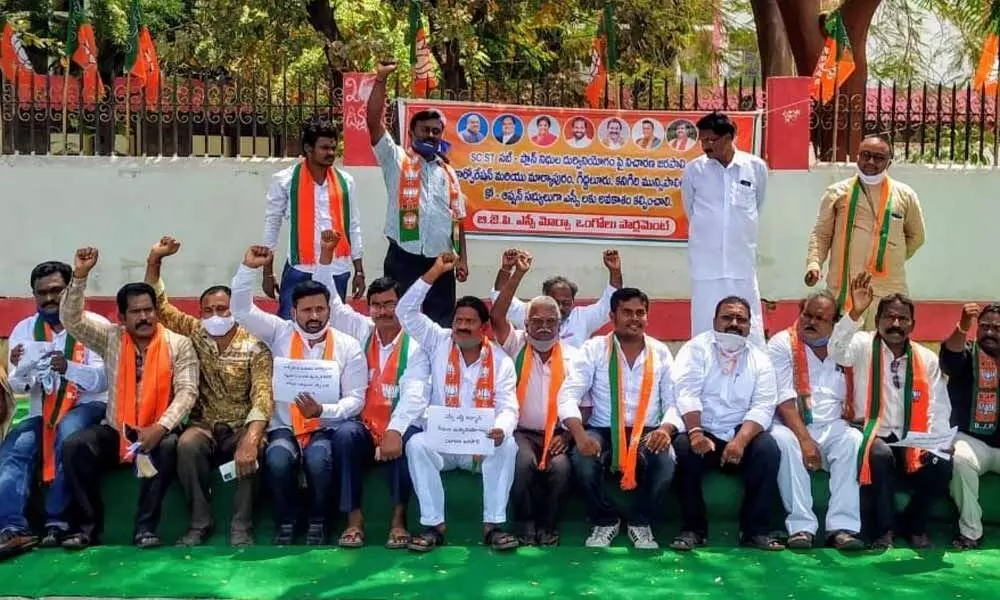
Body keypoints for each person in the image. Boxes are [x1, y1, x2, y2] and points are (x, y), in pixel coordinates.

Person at [59, 248, 199, 550]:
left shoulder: (179, 344)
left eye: (149, 309)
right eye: (136, 312)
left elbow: (188, 391)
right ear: (122, 317)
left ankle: (145, 528)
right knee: (75, 446)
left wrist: (160, 427)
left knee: (168, 445)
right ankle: (87, 528)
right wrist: (80, 276)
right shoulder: (111, 338)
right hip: (117, 429)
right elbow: (71, 320)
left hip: (159, 429)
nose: (145, 316)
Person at [231, 244, 368, 546]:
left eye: (320, 308)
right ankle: (287, 522)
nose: (315, 315)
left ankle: (319, 521)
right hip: (285, 427)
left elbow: (356, 399)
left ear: (329, 309)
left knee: (319, 459)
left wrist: (323, 412)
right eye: (307, 310)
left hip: (324, 428)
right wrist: (247, 269)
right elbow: (240, 310)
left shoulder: (348, 345)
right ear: (294, 312)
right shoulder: (280, 332)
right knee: (278, 458)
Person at [143, 237, 273, 547]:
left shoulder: (256, 344)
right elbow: (159, 305)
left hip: (243, 425)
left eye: (222, 309)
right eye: (208, 310)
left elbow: (263, 395)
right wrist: (154, 261)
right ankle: (200, 522)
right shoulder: (195, 331)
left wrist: (252, 438)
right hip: (204, 425)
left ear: (234, 311)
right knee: (186, 445)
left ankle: (242, 526)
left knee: (255, 452)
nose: (215, 316)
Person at [390, 252, 519, 552]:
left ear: (483, 328)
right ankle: (434, 525)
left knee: (509, 445)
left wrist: (500, 428)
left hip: (480, 445)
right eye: (458, 320)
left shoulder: (500, 361)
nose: (462, 326)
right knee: (417, 444)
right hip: (443, 444)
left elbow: (509, 405)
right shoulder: (437, 341)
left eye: (470, 322)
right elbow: (406, 311)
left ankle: (493, 526)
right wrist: (434, 272)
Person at [310, 229, 427, 549]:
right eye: (376, 305)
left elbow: (415, 394)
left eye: (389, 304)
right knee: (346, 433)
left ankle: (398, 519)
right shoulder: (361, 330)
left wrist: (396, 430)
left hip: (397, 425)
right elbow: (329, 297)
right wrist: (326, 253)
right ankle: (354, 519)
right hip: (363, 428)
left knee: (412, 437)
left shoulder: (418, 343)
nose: (382, 311)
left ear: (402, 306)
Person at [829, 273, 953, 549]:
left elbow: (939, 406)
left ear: (912, 324)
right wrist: (855, 312)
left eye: (903, 319)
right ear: (878, 320)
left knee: (941, 464)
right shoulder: (861, 345)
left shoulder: (926, 358)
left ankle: (914, 524)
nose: (896, 324)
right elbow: (836, 351)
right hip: (875, 434)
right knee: (881, 455)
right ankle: (884, 531)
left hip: (914, 438)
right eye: (889, 317)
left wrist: (940, 442)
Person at [0, 261, 109, 557]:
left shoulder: (95, 325)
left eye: (56, 291)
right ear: (33, 295)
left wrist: (68, 367)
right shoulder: (24, 329)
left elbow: (104, 379)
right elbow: (20, 387)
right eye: (41, 293)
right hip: (41, 412)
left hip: (89, 407)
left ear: (70, 290)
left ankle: (57, 520)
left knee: (69, 431)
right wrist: (21, 366)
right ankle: (11, 529)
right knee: (15, 446)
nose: (49, 298)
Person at [561, 288, 679, 549]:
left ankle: (641, 521)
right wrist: (579, 434)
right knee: (582, 459)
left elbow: (674, 401)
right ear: (612, 316)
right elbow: (568, 394)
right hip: (602, 429)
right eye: (627, 312)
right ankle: (605, 520)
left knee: (666, 460)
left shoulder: (659, 351)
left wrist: (666, 429)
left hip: (647, 429)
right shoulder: (593, 349)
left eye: (640, 313)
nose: (634, 319)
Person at [669, 296, 783, 552]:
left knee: (768, 449)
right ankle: (693, 529)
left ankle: (755, 531)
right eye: (727, 317)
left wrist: (740, 441)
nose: (734, 324)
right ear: (714, 321)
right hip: (703, 431)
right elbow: (685, 392)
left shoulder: (760, 358)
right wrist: (696, 432)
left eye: (741, 319)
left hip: (740, 433)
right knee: (683, 448)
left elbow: (763, 405)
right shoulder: (695, 349)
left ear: (749, 325)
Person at [366, 59, 468, 328]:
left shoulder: (448, 172)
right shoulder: (395, 160)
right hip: (404, 258)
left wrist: (462, 260)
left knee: (440, 324)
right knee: (397, 320)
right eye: (425, 130)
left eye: (436, 131)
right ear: (411, 133)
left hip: (441, 261)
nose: (431, 135)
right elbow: (373, 122)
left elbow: (458, 220)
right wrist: (381, 80)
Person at [490, 250, 581, 546]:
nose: (543, 327)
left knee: (562, 468)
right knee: (520, 462)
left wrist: (567, 437)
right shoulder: (514, 344)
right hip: (521, 433)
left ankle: (548, 524)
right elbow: (496, 314)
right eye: (536, 321)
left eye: (550, 321)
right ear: (526, 324)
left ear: (559, 325)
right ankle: (525, 521)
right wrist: (518, 274)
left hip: (558, 433)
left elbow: (588, 404)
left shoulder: (574, 356)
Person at [768, 291, 865, 550]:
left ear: (834, 324)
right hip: (793, 423)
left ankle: (842, 528)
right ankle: (801, 527)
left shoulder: (844, 347)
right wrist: (805, 440)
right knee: (784, 441)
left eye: (819, 318)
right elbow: (784, 400)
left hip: (834, 424)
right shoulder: (781, 343)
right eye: (807, 315)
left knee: (853, 440)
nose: (810, 322)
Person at [805, 135, 925, 330]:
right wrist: (814, 263)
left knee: (882, 348)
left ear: (889, 162)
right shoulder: (837, 192)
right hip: (845, 289)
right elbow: (821, 234)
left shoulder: (905, 195)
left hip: (887, 288)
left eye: (878, 157)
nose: (871, 162)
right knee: (843, 349)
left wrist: (892, 253)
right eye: (866, 155)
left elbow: (916, 236)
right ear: (857, 157)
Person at [261, 117, 364, 315]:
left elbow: (353, 226)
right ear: (308, 148)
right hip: (301, 267)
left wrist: (358, 269)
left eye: (333, 148)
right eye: (324, 148)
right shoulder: (285, 180)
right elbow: (272, 225)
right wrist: (267, 272)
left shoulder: (346, 181)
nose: (331, 153)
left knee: (330, 326)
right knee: (290, 327)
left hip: (337, 269)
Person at [682, 111, 768, 346]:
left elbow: (757, 206)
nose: (706, 146)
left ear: (730, 137)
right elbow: (690, 209)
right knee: (704, 326)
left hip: (741, 264)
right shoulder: (694, 171)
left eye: (712, 140)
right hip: (706, 265)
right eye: (703, 140)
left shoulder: (755, 167)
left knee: (749, 327)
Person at [940, 303, 1000, 550]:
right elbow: (951, 355)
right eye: (984, 326)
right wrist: (963, 325)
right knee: (961, 460)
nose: (989, 332)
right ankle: (971, 533)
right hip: (973, 441)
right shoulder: (967, 356)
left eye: (997, 328)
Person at [491, 248, 623, 348]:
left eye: (565, 303)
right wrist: (506, 269)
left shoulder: (582, 318)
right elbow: (500, 300)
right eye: (555, 302)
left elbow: (609, 304)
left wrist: (615, 272)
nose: (560, 308)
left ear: (573, 302)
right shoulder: (530, 313)